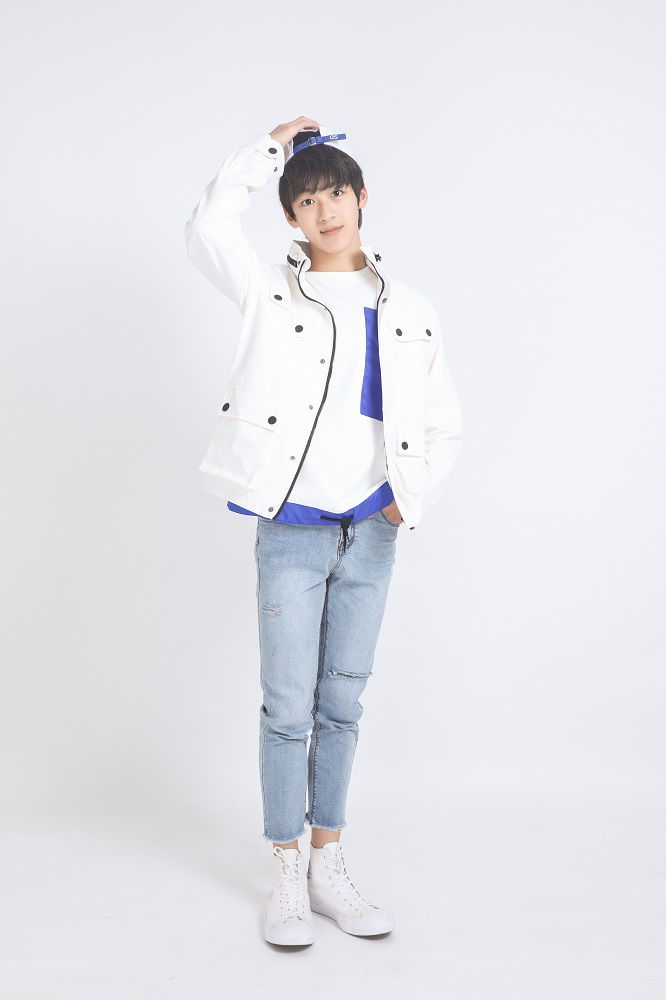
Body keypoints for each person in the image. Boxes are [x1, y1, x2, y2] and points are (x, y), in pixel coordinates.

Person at [184, 116, 463, 946]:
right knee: (286, 707)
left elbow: (442, 419)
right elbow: (206, 226)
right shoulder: (269, 292)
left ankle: (328, 862)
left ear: (362, 197)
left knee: (342, 702)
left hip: (371, 532)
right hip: (292, 529)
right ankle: (285, 869)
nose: (325, 210)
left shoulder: (408, 307)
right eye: (306, 200)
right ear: (290, 216)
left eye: (336, 193)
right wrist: (269, 150)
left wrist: (408, 500)